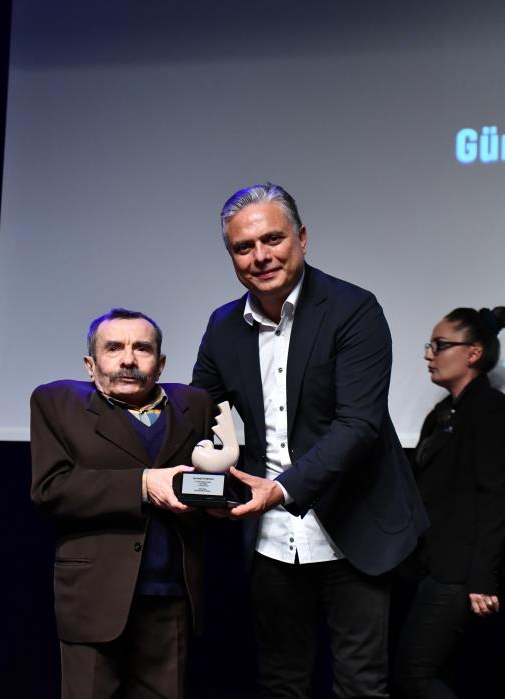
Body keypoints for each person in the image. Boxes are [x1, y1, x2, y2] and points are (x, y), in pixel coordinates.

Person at [192, 182, 428, 699]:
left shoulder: (353, 309)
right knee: (281, 684)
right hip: (270, 538)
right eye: (243, 247)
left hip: (356, 527)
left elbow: (359, 425)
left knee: (361, 686)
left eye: (272, 239)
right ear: (231, 256)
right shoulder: (223, 326)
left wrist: (280, 489)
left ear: (301, 237)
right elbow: (200, 413)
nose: (260, 257)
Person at [30, 308, 214, 699]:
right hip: (94, 598)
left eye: (142, 349)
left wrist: (218, 502)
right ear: (90, 364)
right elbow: (50, 488)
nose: (128, 359)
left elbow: (204, 482)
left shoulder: (194, 405)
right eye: (113, 348)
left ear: (160, 364)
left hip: (171, 597)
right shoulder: (57, 403)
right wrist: (143, 484)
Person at [393, 307, 505, 698]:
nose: (429, 354)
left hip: (461, 574)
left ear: (473, 353)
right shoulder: (441, 414)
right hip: (431, 567)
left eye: (439, 345)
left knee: (415, 674)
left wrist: (482, 581)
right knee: (426, 673)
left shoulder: (492, 410)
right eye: (430, 345)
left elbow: (495, 499)